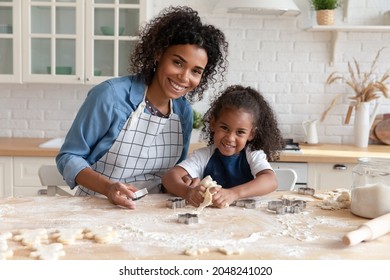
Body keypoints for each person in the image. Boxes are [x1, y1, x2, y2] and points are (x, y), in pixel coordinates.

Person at [56, 6, 228, 209]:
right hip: (96, 206)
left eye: (196, 71)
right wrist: (109, 187)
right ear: (158, 54)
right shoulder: (111, 96)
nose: (184, 77)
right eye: (177, 62)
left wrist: (186, 185)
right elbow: (69, 157)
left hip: (152, 213)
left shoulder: (183, 114)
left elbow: (170, 176)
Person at [162, 85, 285, 208]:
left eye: (240, 132)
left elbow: (271, 181)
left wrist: (234, 193)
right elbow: (170, 177)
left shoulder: (252, 154)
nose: (230, 138)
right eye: (224, 128)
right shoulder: (203, 156)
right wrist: (188, 192)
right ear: (213, 123)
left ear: (251, 134)